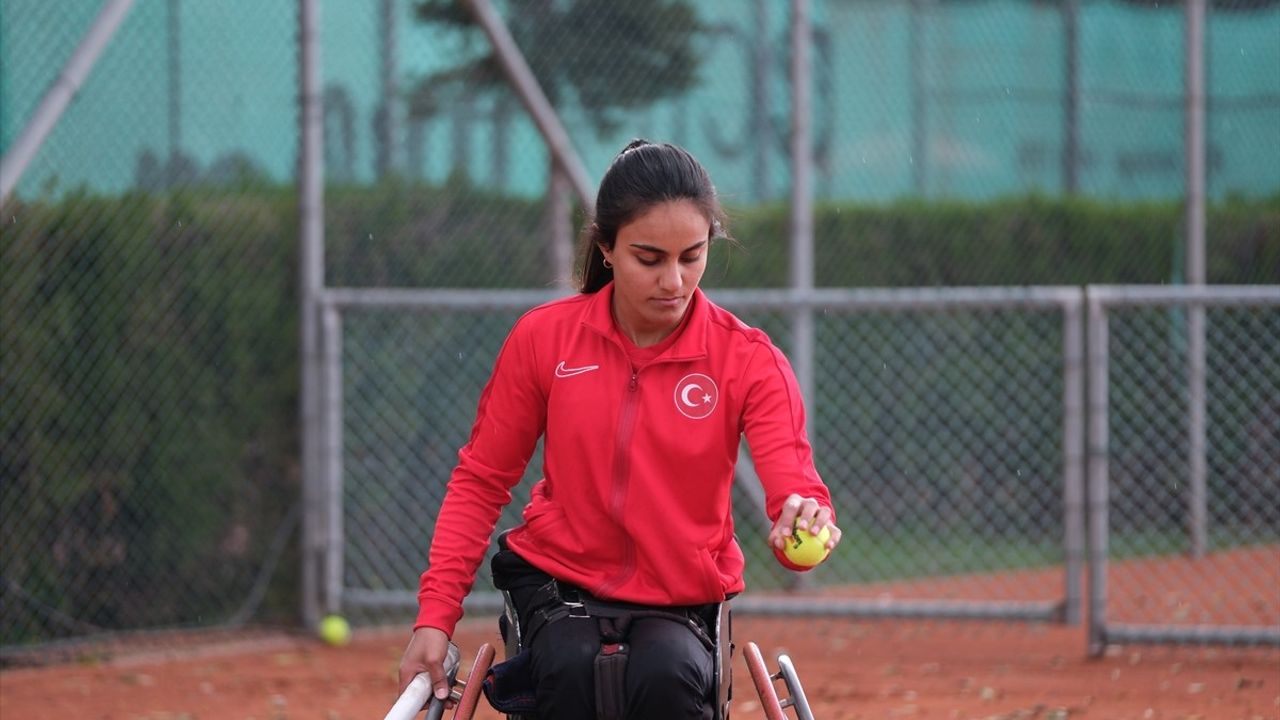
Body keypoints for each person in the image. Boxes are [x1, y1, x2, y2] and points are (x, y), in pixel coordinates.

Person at [397, 139, 841, 719]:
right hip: (559, 586)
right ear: (606, 247)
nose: (675, 282)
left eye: (692, 256)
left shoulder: (750, 360)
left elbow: (797, 494)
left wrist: (802, 525)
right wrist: (434, 617)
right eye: (649, 258)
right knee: (570, 670)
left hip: (680, 602)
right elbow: (481, 481)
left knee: (665, 678)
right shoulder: (543, 339)